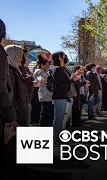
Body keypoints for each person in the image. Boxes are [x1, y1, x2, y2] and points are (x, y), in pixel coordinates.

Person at [0, 19, 19, 177]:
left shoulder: (18, 69)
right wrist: (11, 115)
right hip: (10, 109)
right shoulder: (2, 57)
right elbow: (3, 89)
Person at [51, 52, 80, 142]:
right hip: (59, 96)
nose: (65, 57)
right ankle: (56, 136)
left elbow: (67, 80)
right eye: (63, 56)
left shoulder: (63, 68)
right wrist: (72, 79)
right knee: (58, 117)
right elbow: (62, 82)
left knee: (60, 117)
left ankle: (58, 135)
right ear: (60, 58)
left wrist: (73, 78)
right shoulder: (57, 69)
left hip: (63, 95)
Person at [33, 55, 54, 126]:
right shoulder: (39, 72)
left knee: (47, 115)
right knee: (45, 116)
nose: (48, 67)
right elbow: (41, 82)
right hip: (45, 96)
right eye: (47, 65)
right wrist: (47, 81)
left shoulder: (43, 72)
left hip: (47, 96)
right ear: (41, 65)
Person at [19, 46, 33, 126]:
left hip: (27, 99)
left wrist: (32, 81)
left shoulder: (25, 68)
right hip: (21, 102)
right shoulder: (17, 69)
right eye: (25, 54)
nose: (26, 57)